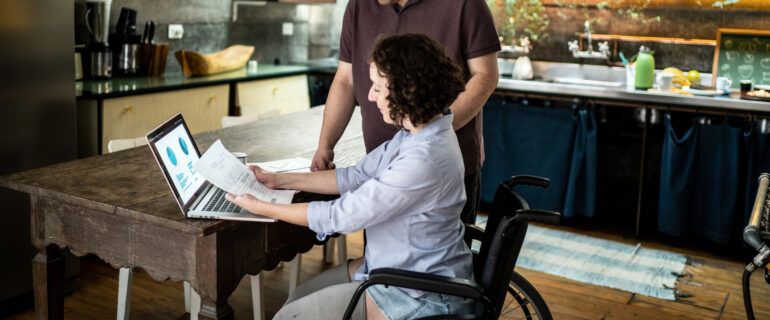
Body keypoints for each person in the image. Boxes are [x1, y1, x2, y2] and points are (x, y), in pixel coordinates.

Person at [226, 33, 474, 320]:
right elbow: (353, 176)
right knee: (294, 299)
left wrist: (261, 208)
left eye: (379, 88)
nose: (369, 96)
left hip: (417, 292)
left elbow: (339, 216)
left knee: (286, 317)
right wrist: (277, 179)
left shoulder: (424, 159)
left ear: (409, 91)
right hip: (397, 266)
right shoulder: (416, 135)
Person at [311, 0, 500, 225]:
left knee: (438, 254)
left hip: (441, 170)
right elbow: (345, 79)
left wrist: (426, 136)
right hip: (379, 165)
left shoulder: (465, 4)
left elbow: (486, 75)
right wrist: (325, 145)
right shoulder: (359, 5)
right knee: (381, 255)